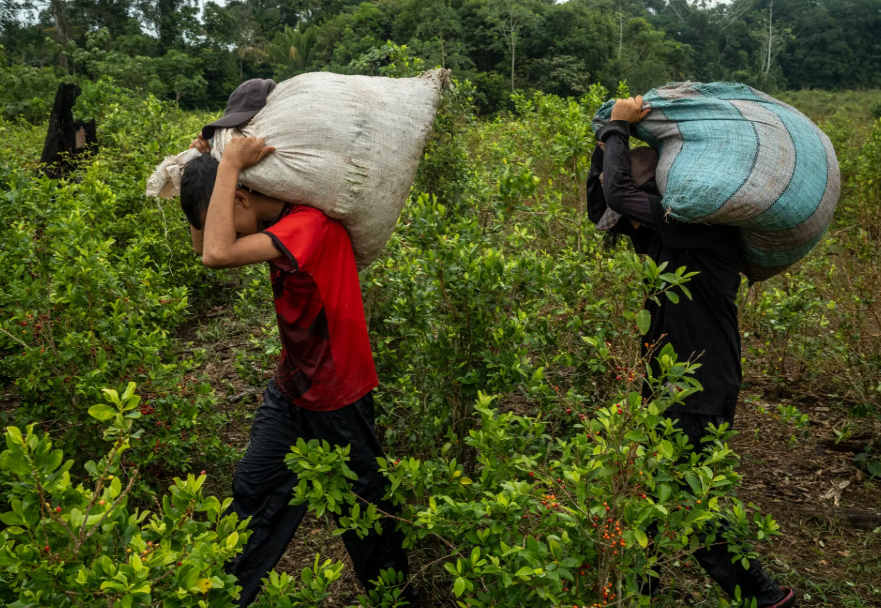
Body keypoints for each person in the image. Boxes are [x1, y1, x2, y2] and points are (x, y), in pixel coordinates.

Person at [180, 79, 419, 607]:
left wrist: (228, 167)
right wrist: (204, 168)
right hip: (293, 386)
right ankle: (223, 597)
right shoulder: (276, 218)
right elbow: (205, 243)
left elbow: (217, 253)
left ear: (242, 194)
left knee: (365, 514)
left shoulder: (307, 225)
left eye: (227, 205)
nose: (223, 225)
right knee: (254, 489)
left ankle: (397, 600)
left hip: (338, 395)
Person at [586, 96, 797, 608]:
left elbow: (618, 194)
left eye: (641, 207)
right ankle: (641, 589)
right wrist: (604, 143)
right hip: (671, 384)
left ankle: (766, 598)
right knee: (651, 489)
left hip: (698, 388)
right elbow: (604, 205)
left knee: (689, 500)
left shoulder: (694, 227)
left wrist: (618, 128)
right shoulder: (665, 236)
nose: (632, 224)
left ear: (664, 197)